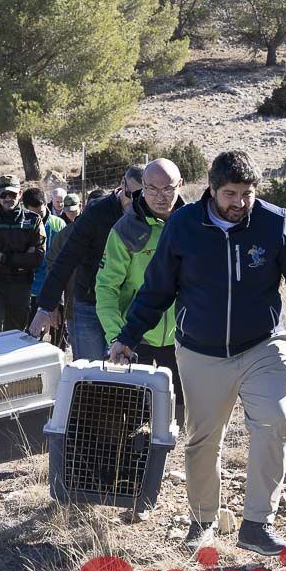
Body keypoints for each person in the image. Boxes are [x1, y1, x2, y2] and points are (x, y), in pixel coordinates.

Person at [108, 151, 286, 556]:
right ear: (211, 190)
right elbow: (156, 290)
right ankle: (202, 522)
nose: (239, 202)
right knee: (202, 440)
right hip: (200, 352)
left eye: (247, 193)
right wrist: (128, 336)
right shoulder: (184, 226)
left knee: (275, 420)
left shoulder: (273, 222)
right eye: (230, 193)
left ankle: (257, 524)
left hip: (262, 344)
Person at [95, 159, 187, 424]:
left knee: (182, 415)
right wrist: (117, 336)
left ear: (180, 185)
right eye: (151, 189)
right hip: (137, 339)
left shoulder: (194, 224)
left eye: (168, 189)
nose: (160, 197)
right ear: (140, 188)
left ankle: (175, 461)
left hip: (184, 338)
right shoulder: (125, 230)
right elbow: (106, 288)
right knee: (134, 417)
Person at [28, 165, 145, 360]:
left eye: (143, 195)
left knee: (125, 375)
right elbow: (65, 259)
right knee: (90, 372)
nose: (136, 201)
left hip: (128, 306)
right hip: (90, 303)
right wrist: (46, 307)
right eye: (132, 194)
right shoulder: (97, 212)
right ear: (122, 183)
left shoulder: (150, 213)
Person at [0, 174, 45, 333]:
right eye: (3, 194)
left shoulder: (33, 220)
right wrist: (21, 259)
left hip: (20, 286)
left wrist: (3, 257)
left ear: (20, 194)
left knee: (14, 335)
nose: (8, 198)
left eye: (12, 194)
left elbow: (37, 258)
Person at [22, 187, 68, 346]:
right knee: (30, 336)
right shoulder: (21, 226)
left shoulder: (58, 225)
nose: (38, 218)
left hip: (54, 289)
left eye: (41, 213)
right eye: (34, 215)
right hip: (30, 290)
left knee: (58, 337)